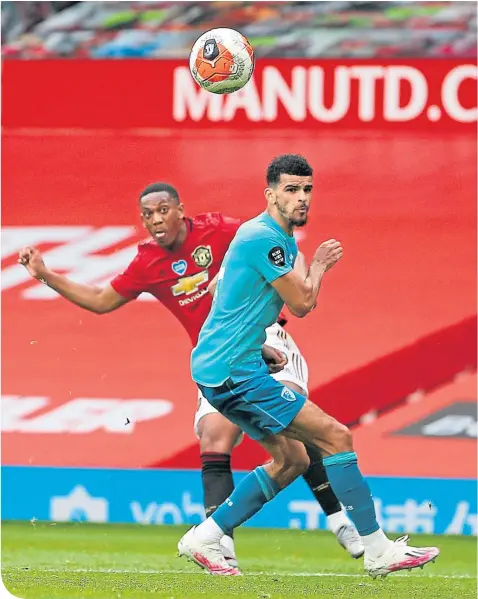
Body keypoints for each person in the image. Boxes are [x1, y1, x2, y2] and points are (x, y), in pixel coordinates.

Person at [18, 181, 363, 565]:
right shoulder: (147, 262)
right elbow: (101, 301)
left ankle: (339, 517)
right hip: (217, 359)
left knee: (295, 420)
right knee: (215, 438)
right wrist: (45, 274)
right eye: (147, 215)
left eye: (163, 209)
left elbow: (277, 242)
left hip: (265, 337)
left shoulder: (220, 229)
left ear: (181, 209)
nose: (156, 220)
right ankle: (218, 547)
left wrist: (294, 282)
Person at [179, 154, 440, 578]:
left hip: (227, 365)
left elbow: (225, 297)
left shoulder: (258, 234)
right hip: (234, 372)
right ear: (270, 194)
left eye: (307, 190)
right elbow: (301, 304)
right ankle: (376, 550)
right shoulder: (266, 238)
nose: (302, 198)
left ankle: (204, 536)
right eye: (291, 189)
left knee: (292, 460)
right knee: (336, 436)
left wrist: (257, 346)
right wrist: (318, 264)